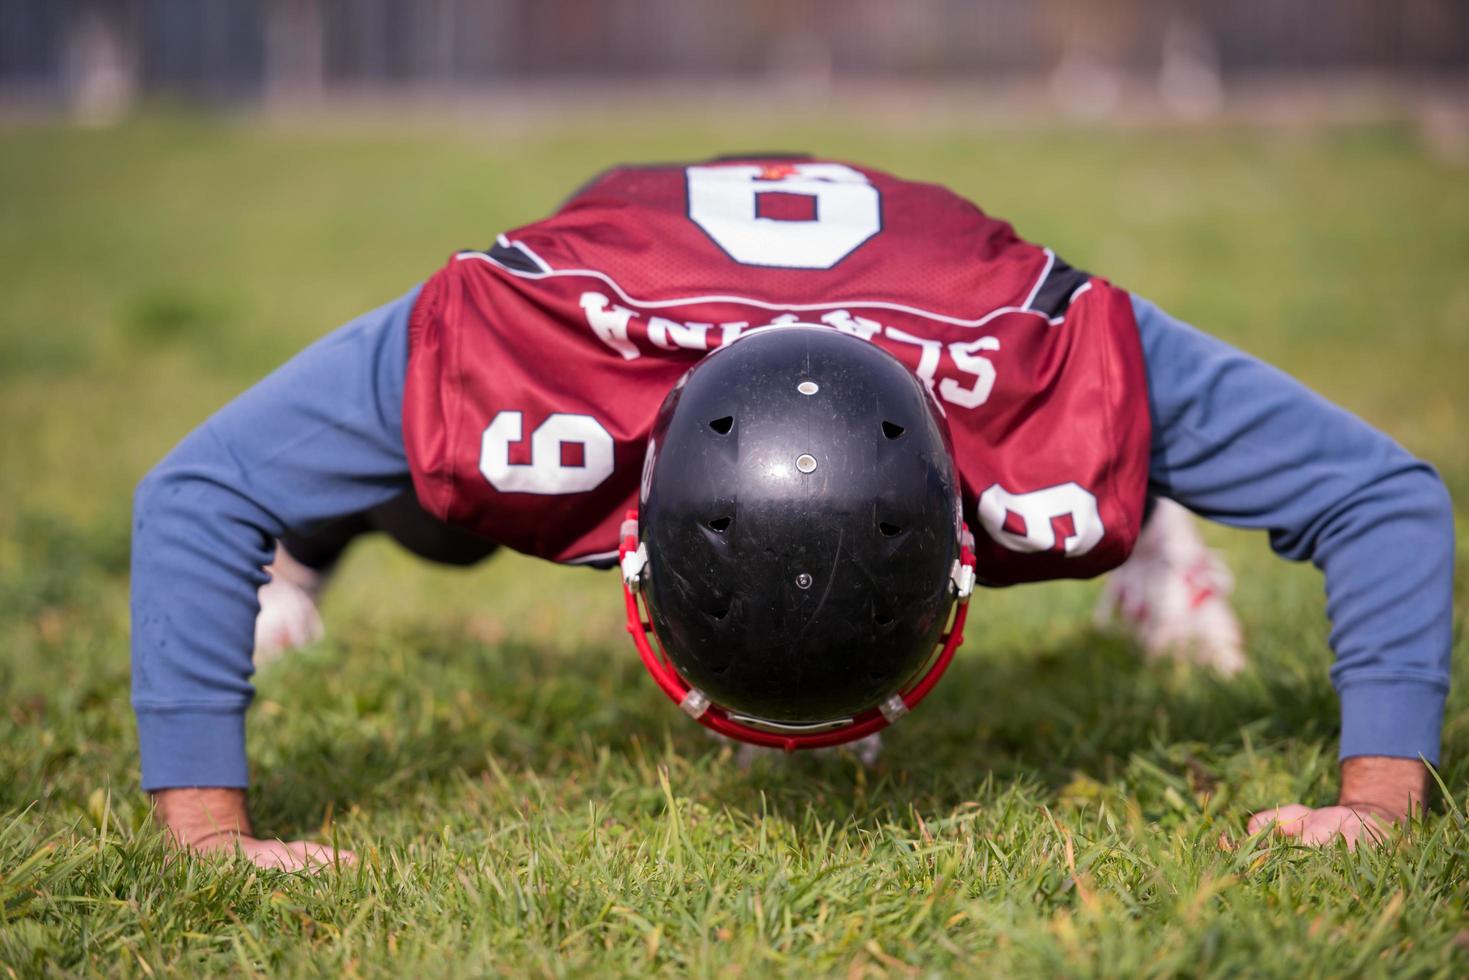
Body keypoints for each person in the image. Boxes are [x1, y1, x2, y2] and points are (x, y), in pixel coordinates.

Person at [131, 156, 1453, 870]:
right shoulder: (525, 349)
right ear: (634, 548)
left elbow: (1381, 495)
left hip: (949, 317)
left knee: (1065, 496)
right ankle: (314, 554)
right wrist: (208, 838)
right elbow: (199, 493)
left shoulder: (1048, 369)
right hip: (627, 291)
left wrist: (1380, 805)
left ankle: (1144, 513)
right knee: (443, 489)